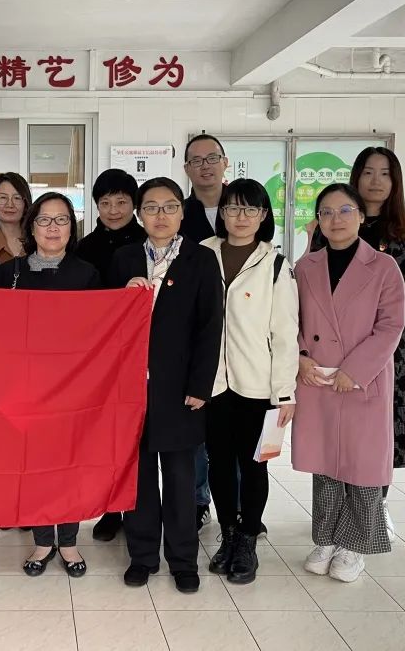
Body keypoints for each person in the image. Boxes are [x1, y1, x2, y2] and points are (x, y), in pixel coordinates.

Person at [308, 148, 405, 541]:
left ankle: (371, 517)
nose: (376, 181)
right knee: (332, 443)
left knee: (374, 444)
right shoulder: (327, 229)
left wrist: (361, 361)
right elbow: (312, 295)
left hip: (386, 354)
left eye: (385, 173)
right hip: (328, 359)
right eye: (368, 172)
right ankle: (334, 526)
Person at [111, 177, 222, 594]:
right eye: (152, 207)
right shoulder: (124, 259)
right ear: (139, 214)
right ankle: (142, 556)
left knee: (179, 478)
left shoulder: (201, 259)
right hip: (130, 388)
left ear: (181, 211)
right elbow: (103, 320)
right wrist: (122, 295)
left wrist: (200, 385)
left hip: (179, 388)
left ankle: (183, 560)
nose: (161, 215)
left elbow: (211, 327)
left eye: (170, 206)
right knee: (138, 476)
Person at [294, 183, 405, 583]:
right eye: (326, 212)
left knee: (362, 465)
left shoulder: (384, 267)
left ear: (360, 216)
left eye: (344, 211)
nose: (335, 219)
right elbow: (291, 318)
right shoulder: (305, 267)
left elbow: (391, 326)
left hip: (362, 381)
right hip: (318, 377)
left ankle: (354, 545)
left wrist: (355, 370)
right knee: (325, 464)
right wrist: (300, 356)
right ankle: (325, 539)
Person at [0, 192, 99, 577]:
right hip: (25, 390)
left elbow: (101, 331)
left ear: (72, 227)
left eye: (62, 220)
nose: (53, 228)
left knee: (70, 466)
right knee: (33, 467)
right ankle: (42, 541)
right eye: (44, 220)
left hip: (73, 389)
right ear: (31, 226)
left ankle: (68, 542)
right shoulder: (10, 273)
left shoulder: (87, 274)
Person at [200, 179, 299, 585]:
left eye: (250, 209)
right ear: (221, 213)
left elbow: (285, 332)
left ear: (263, 216)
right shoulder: (202, 254)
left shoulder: (276, 265)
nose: (240, 217)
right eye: (232, 208)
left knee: (255, 465)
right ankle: (228, 535)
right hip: (212, 384)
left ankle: (248, 540)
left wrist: (285, 393)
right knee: (219, 464)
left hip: (259, 387)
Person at [77, 168, 146, 543]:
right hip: (98, 356)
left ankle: (141, 508)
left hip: (141, 353)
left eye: (122, 202)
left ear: (133, 204)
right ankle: (111, 508)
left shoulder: (148, 242)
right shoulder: (84, 248)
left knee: (140, 435)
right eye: (106, 203)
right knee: (106, 434)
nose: (114, 210)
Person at [177, 134, 230, 530]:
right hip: (194, 331)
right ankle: (198, 499)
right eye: (196, 160)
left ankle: (236, 504)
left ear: (225, 162)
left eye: (212, 157)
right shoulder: (181, 213)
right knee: (195, 420)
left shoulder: (242, 204)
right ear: (187, 169)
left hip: (241, 332)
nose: (205, 165)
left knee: (233, 426)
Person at [0, 172, 33, 264]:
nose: (10, 204)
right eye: (3, 197)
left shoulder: (38, 243)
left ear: (25, 204)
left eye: (17, 198)